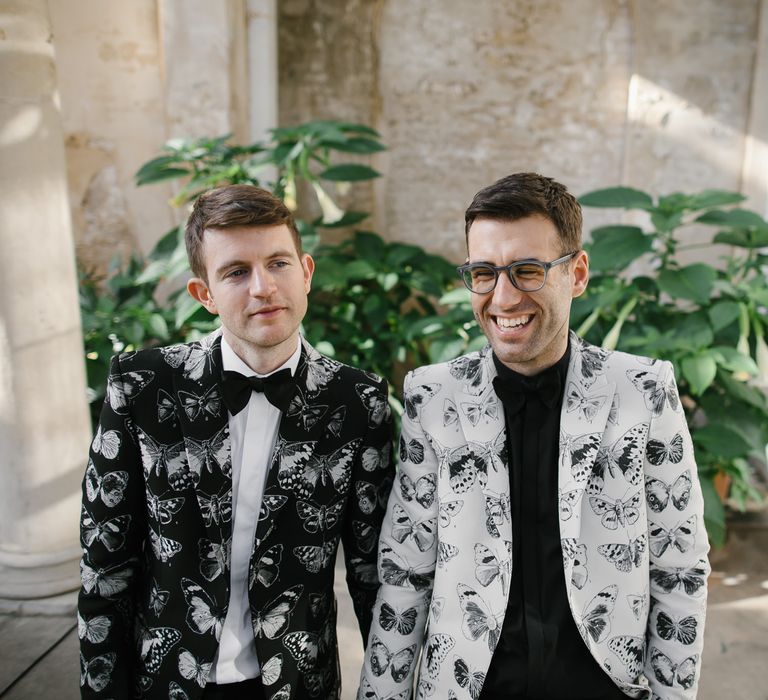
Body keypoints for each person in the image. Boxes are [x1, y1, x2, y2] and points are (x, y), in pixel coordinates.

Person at [358, 172, 709, 700]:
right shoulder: (432, 397)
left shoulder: (644, 390)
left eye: (525, 270)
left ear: (578, 273)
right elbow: (406, 574)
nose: (502, 297)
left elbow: (680, 567)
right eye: (483, 273)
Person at [78, 184, 394, 700]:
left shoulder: (358, 401)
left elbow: (371, 574)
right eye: (236, 272)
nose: (263, 287)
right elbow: (105, 566)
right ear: (204, 294)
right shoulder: (141, 386)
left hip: (298, 684)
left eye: (278, 263)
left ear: (306, 272)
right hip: (166, 680)